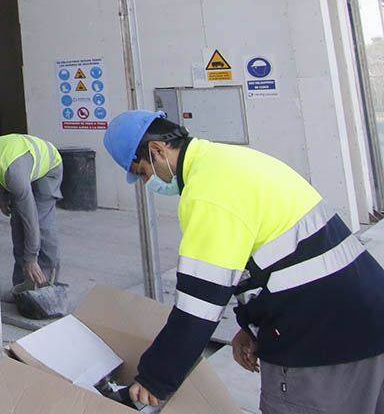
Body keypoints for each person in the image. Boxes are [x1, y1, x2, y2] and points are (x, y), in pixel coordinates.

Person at [102, 110, 384, 412]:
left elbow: (198, 306)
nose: (148, 183)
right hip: (366, 314)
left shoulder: (207, 192)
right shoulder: (230, 161)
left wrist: (154, 380)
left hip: (320, 337)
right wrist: (250, 327)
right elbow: (277, 262)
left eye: (143, 172)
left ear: (157, 150)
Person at [0, 133, 63, 293]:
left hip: (49, 168)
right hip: (21, 162)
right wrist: (3, 197)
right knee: (17, 227)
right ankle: (22, 288)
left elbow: (30, 218)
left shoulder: (14, 175)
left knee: (41, 224)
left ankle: (46, 286)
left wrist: (31, 257)